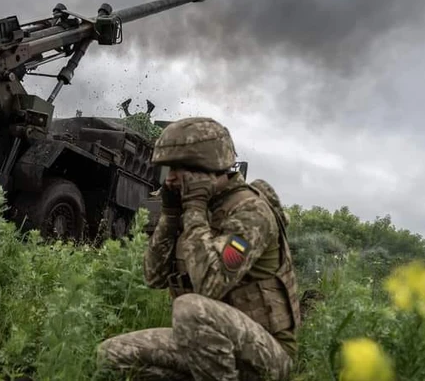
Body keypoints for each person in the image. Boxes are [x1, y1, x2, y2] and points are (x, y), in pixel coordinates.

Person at [96, 117, 300, 381]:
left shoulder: (250, 211)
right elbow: (154, 277)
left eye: (178, 170)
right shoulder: (197, 205)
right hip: (211, 344)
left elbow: (210, 286)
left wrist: (193, 208)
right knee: (112, 355)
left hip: (266, 354)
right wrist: (170, 216)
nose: (170, 179)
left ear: (207, 168)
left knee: (190, 307)